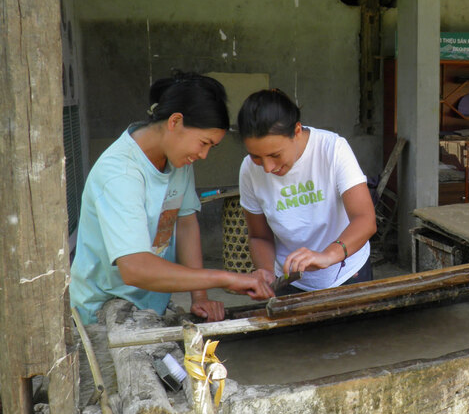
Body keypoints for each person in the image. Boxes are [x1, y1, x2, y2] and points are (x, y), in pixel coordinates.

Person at [70, 71, 271, 325]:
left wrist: (200, 296)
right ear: (175, 122)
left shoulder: (178, 161)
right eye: (203, 143)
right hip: (102, 315)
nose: (204, 155)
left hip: (152, 307)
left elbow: (186, 223)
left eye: (211, 147)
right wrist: (226, 278)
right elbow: (135, 268)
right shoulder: (120, 173)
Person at [237, 88, 377, 296]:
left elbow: (365, 219)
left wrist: (328, 255)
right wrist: (265, 273)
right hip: (289, 281)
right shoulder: (249, 170)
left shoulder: (333, 149)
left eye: (275, 155)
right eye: (256, 156)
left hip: (347, 272)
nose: (267, 167)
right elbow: (259, 236)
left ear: (297, 131)